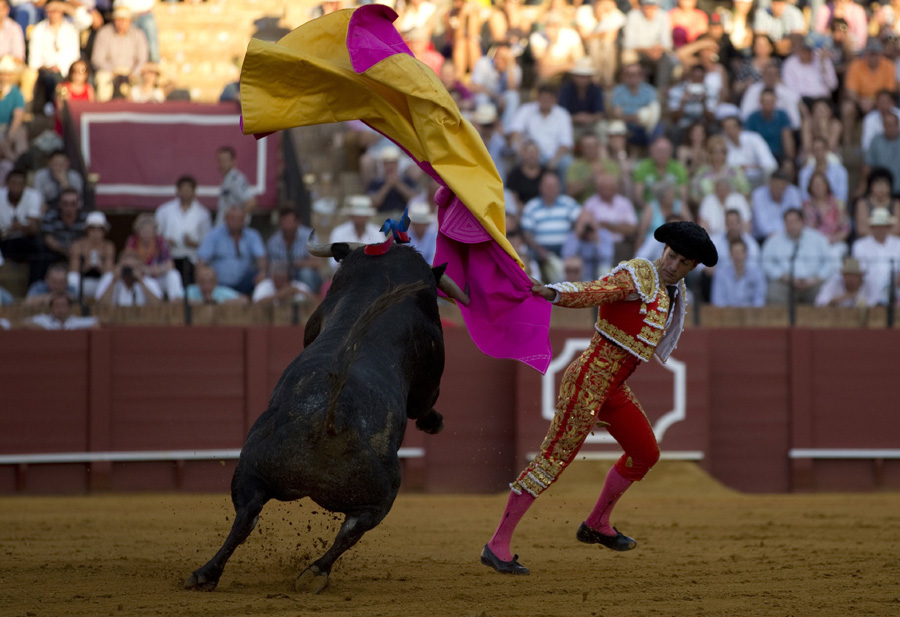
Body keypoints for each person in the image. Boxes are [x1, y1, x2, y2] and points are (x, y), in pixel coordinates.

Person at [481, 221, 717, 575]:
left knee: (646, 453)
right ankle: (496, 544)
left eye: (683, 262)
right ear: (663, 249)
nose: (673, 265)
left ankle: (596, 524)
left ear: (692, 267)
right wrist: (553, 293)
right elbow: (597, 291)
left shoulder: (674, 291)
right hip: (587, 382)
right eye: (672, 255)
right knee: (551, 461)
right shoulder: (639, 275)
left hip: (613, 388)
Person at [761, 208, 836, 305]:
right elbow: (766, 262)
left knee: (826, 295)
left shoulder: (817, 238)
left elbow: (829, 262)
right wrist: (784, 277)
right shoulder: (774, 240)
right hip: (785, 282)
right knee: (773, 294)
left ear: (802, 222)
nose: (791, 225)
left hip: (813, 282)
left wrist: (815, 280)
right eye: (788, 222)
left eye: (794, 221)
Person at [520, 171, 582, 281]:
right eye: (548, 186)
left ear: (559, 187)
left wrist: (574, 241)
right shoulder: (532, 206)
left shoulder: (568, 203)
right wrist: (539, 250)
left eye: (554, 186)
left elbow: (582, 219)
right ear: (541, 187)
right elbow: (526, 233)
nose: (551, 189)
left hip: (566, 249)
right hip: (540, 249)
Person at [572, 171, 638, 272]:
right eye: (603, 188)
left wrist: (608, 226)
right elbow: (582, 226)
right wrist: (619, 227)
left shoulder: (624, 203)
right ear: (597, 188)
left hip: (620, 246)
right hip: (596, 245)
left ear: (615, 188)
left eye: (609, 188)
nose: (606, 191)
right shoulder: (590, 203)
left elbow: (632, 228)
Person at [154, 175, 212, 286]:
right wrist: (165, 241)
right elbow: (156, 236)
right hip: (169, 259)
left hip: (192, 259)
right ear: (177, 191)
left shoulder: (203, 214)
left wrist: (193, 243)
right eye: (183, 190)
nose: (186, 193)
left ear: (194, 192)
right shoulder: (164, 210)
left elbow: (207, 242)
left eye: (188, 190)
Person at [507, 82, 574, 179]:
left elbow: (566, 143)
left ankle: (562, 193)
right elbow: (516, 132)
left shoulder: (563, 114)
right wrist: (521, 151)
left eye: (549, 98)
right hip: (531, 154)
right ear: (538, 98)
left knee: (567, 162)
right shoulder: (525, 110)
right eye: (543, 98)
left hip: (555, 155)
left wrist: (553, 161)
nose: (546, 101)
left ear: (555, 99)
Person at [196, 207, 267, 296]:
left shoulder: (253, 235)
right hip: (219, 283)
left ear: (244, 220)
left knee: (261, 275)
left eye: (239, 219)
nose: (235, 222)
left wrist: (262, 272)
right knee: (207, 275)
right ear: (225, 219)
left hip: (244, 282)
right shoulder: (214, 235)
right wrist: (201, 278)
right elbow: (201, 259)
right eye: (232, 218)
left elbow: (261, 257)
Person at [27, 1, 80, 115]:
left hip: (68, 69)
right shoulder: (38, 30)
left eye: (56, 10)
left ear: (62, 11)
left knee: (83, 76)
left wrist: (67, 7)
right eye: (50, 11)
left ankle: (79, 110)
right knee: (53, 80)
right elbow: (34, 60)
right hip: (47, 71)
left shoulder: (71, 29)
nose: (53, 14)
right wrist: (48, 67)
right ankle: (54, 109)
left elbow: (86, 20)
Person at [91, 6, 149, 102]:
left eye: (124, 20)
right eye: (119, 19)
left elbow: (143, 59)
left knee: (143, 81)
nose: (121, 23)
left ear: (130, 21)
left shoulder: (138, 34)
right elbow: (97, 59)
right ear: (114, 20)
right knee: (103, 79)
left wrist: (133, 73)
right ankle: (103, 110)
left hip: (131, 71)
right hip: (110, 71)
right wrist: (113, 71)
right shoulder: (104, 33)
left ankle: (139, 112)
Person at [124, 213, 184, 300]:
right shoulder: (132, 242)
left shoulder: (160, 242)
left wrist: (159, 269)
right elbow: (128, 263)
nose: (147, 234)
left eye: (150, 231)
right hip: (141, 277)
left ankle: (175, 302)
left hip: (159, 276)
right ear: (138, 231)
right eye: (144, 231)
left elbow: (170, 264)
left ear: (154, 231)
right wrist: (147, 270)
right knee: (145, 282)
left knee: (173, 275)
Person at [266, 206, 322, 293]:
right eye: (283, 222)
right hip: (283, 277)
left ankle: (310, 301)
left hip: (304, 276)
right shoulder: (273, 242)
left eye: (289, 222)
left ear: (298, 222)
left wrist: (294, 264)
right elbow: (272, 267)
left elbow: (317, 263)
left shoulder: (309, 237)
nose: (286, 226)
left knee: (306, 273)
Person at [851, 207, 900, 305]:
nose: (880, 229)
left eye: (883, 226)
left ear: (889, 227)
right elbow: (861, 271)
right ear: (872, 227)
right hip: (869, 287)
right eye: (877, 226)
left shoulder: (898, 244)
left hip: (895, 287)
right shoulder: (860, 245)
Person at [622, 0, 675, 89]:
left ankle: (661, 90)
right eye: (646, 6)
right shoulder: (633, 15)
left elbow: (667, 43)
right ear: (641, 6)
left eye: (652, 7)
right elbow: (628, 44)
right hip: (639, 52)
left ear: (657, 7)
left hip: (657, 52)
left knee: (669, 60)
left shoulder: (663, 15)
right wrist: (647, 50)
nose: (649, 9)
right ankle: (632, 88)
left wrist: (658, 50)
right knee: (628, 57)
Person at [0, 168, 43, 270]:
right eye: (13, 183)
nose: (16, 187)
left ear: (25, 185)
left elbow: (33, 228)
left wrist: (15, 228)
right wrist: (18, 227)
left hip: (24, 240)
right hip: (3, 240)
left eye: (20, 183)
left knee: (39, 247)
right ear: (7, 183)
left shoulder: (33, 195)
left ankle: (34, 284)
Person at [633, 137, 688, 215]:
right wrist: (650, 212)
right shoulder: (642, 167)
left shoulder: (678, 168)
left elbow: (683, 197)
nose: (662, 154)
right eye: (658, 150)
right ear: (652, 150)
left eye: (665, 151)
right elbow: (638, 197)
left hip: (673, 211)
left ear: (670, 152)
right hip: (648, 210)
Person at [328, 194, 385, 269]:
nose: (360, 219)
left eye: (363, 215)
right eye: (358, 215)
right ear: (351, 215)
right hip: (346, 273)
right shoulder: (339, 232)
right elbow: (334, 262)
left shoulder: (377, 232)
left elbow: (383, 257)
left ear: (368, 216)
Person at [68, 210, 115, 300]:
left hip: (100, 282)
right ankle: (74, 302)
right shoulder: (78, 245)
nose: (96, 233)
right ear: (87, 230)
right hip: (84, 280)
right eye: (92, 229)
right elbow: (74, 269)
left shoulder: (108, 246)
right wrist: (86, 266)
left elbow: (109, 270)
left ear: (103, 231)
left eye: (99, 230)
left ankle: (104, 302)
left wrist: (100, 266)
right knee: (72, 278)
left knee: (110, 277)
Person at [610, 63, 659, 148]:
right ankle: (621, 157)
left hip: (646, 125)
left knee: (658, 128)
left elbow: (654, 112)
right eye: (628, 74)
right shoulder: (618, 91)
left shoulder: (650, 91)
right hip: (626, 125)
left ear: (641, 76)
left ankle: (654, 157)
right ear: (623, 76)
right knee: (616, 128)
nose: (631, 77)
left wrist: (643, 120)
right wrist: (634, 118)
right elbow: (617, 114)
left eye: (634, 74)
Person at [710, 238, 767, 307]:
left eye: (741, 252)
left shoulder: (757, 273)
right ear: (730, 254)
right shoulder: (721, 274)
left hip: (751, 314)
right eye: (736, 252)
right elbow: (718, 301)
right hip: (726, 314)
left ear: (746, 254)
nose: (739, 256)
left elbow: (759, 300)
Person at [751, 169, 803, 243]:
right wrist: (780, 237)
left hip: (790, 235)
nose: (777, 190)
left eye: (781, 187)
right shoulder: (758, 195)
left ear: (786, 186)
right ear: (769, 184)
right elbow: (762, 225)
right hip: (765, 238)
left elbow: (796, 217)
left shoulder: (793, 192)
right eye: (775, 186)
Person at [95, 250, 163, 306]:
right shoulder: (109, 278)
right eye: (126, 267)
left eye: (132, 268)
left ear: (140, 267)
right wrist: (113, 281)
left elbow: (158, 305)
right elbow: (101, 305)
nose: (129, 272)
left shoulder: (149, 281)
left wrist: (141, 281)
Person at [557, 58, 604, 138]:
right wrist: (575, 118)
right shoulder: (565, 89)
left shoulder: (596, 89)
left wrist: (590, 118)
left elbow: (600, 113)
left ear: (590, 77)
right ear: (574, 76)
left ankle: (602, 150)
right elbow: (560, 113)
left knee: (602, 127)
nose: (582, 79)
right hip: (571, 123)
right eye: (580, 76)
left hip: (591, 123)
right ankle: (568, 150)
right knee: (563, 130)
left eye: (585, 76)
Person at [366, 146, 419, 216]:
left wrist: (398, 185)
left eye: (393, 163)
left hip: (404, 216)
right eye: (387, 163)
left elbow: (416, 201)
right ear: (382, 165)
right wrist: (387, 186)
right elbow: (372, 204)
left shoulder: (407, 180)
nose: (390, 166)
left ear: (398, 164)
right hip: (382, 217)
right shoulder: (376, 182)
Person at [745, 88, 794, 162]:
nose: (768, 104)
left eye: (771, 102)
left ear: (775, 102)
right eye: (765, 102)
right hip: (758, 157)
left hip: (778, 155)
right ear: (760, 102)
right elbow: (749, 142)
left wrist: (789, 160)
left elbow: (787, 138)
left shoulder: (782, 115)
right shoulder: (752, 118)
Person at [814, 257, 882, 307]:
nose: (850, 279)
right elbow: (819, 302)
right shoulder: (834, 282)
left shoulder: (870, 283)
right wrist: (835, 301)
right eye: (847, 275)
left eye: (853, 275)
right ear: (842, 276)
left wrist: (858, 298)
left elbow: (876, 302)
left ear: (861, 276)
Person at [215, 145, 256, 226]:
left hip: (230, 230)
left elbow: (251, 202)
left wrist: (236, 219)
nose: (222, 163)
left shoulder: (236, 179)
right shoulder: (226, 179)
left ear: (233, 161)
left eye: (225, 160)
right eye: (220, 160)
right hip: (223, 227)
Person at [853, 169, 900, 239]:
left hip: (891, 241)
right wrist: (877, 238)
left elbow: (898, 228)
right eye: (878, 184)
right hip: (868, 240)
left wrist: (884, 238)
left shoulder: (896, 203)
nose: (881, 188)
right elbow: (861, 229)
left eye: (885, 184)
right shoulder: (862, 203)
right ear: (871, 186)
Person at [862, 112, 900, 193]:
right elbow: (868, 166)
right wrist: (863, 187)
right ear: (883, 126)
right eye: (887, 124)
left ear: (898, 125)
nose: (890, 128)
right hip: (879, 190)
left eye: (893, 124)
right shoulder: (876, 140)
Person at [0, 54, 27, 170]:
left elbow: (18, 117)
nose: (5, 76)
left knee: (20, 137)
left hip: (9, 127)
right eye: (3, 73)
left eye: (8, 73)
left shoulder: (16, 93)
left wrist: (9, 136)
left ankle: (19, 166)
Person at [23, 291, 99, 329]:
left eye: (63, 305)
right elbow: (24, 323)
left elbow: (96, 323)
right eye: (57, 306)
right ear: (51, 308)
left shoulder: (75, 321)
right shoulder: (44, 320)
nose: (60, 309)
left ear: (69, 308)